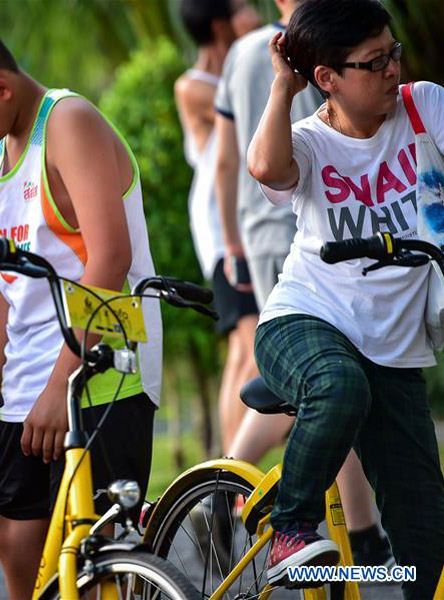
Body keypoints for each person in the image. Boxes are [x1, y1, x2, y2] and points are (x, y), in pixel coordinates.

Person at [0, 20, 163, 599]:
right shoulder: (2, 146)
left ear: (0, 88)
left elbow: (110, 260)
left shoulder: (69, 123)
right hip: (26, 386)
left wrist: (61, 382)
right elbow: (7, 286)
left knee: (96, 569)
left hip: (99, 383)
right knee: (14, 542)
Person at [247, 0, 444, 595]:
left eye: (394, 52)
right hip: (304, 321)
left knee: (425, 545)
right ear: (326, 79)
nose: (392, 70)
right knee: (339, 384)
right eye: (373, 61)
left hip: (396, 350)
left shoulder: (424, 106)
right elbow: (264, 167)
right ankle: (290, 527)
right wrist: (284, 87)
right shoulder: (307, 140)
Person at [216, 0, 392, 567]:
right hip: (297, 233)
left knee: (326, 381)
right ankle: (238, 491)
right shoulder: (305, 55)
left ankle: (353, 528)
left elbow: (223, 158)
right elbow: (246, 157)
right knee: (324, 379)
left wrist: (229, 237)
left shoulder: (263, 50)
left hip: (280, 228)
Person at [175, 0, 260, 456]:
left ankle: (227, 477)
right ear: (220, 25)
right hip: (224, 229)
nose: (254, 12)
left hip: (247, 222)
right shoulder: (194, 87)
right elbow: (251, 103)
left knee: (240, 351)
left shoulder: (242, 67)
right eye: (243, 7)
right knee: (250, 344)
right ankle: (234, 474)